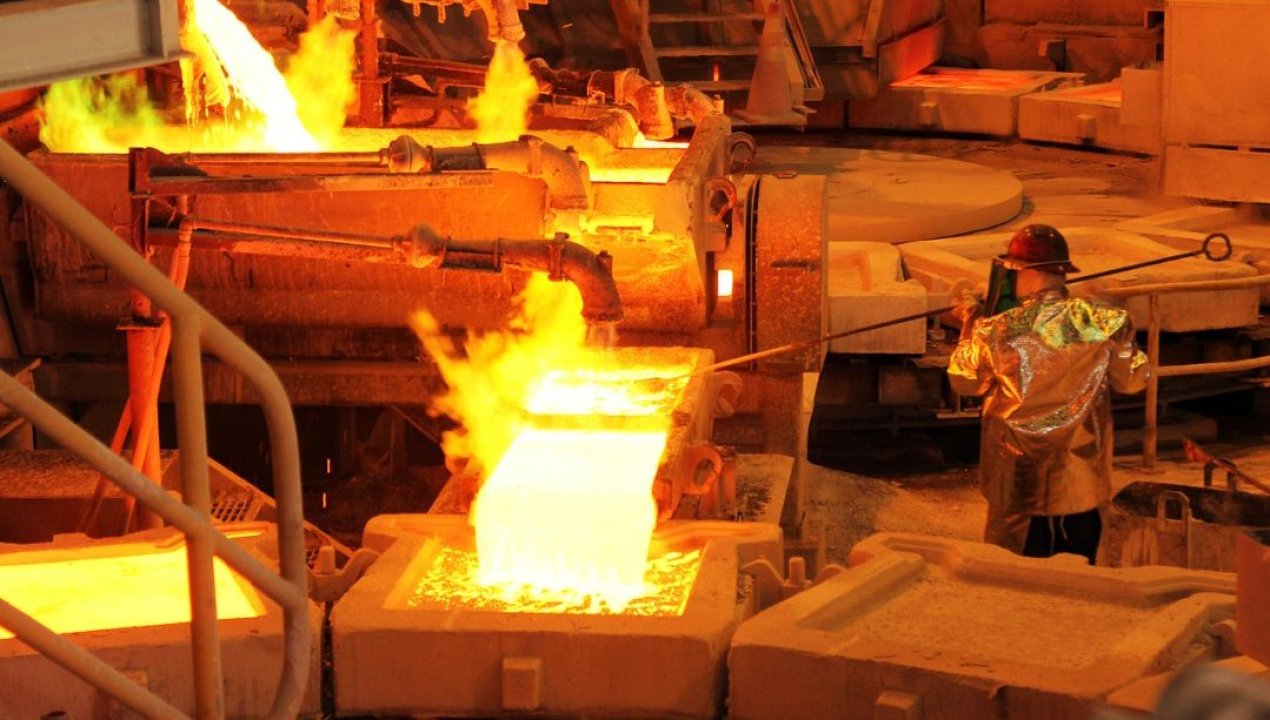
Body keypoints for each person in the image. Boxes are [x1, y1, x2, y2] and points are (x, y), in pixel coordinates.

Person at [947, 224, 1149, 564]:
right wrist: (1118, 330)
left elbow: (963, 381)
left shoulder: (996, 329)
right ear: (1063, 271)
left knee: (1012, 574)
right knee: (1078, 574)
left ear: (1023, 271)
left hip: (1017, 482)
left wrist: (969, 323)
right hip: (1081, 480)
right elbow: (1132, 382)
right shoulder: (1106, 322)